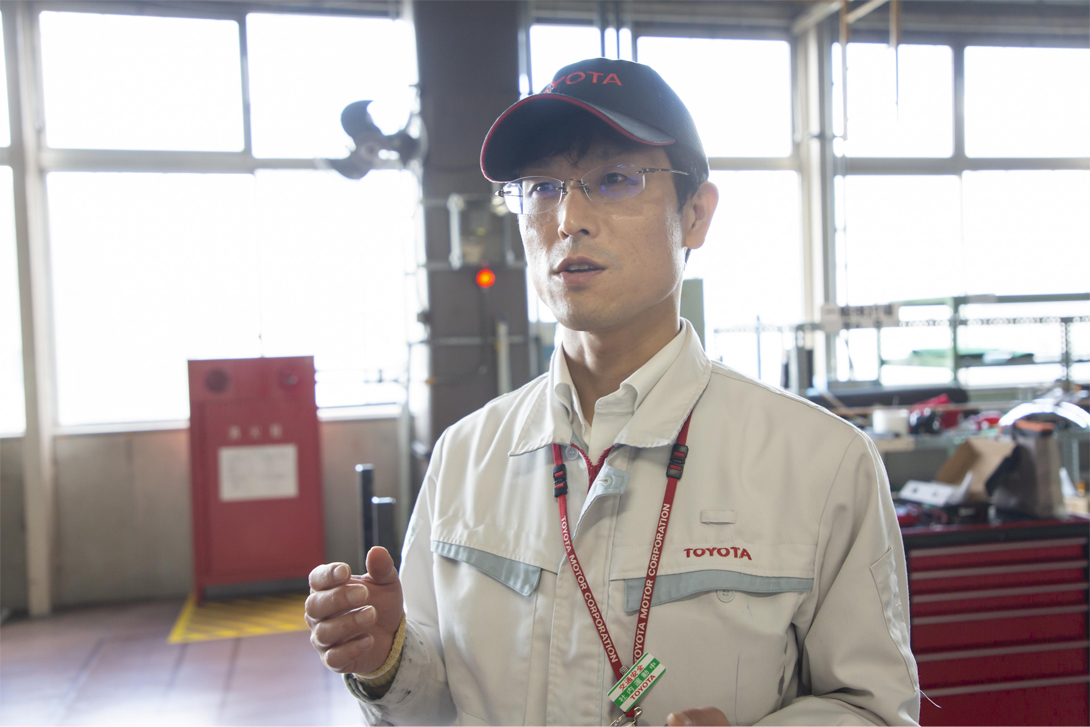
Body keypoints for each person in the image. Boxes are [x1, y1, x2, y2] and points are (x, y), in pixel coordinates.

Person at [305, 57, 920, 726]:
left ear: (695, 215)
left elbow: (873, 709)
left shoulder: (822, 463)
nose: (569, 217)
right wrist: (389, 658)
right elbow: (437, 706)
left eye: (616, 178)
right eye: (542, 187)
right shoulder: (466, 455)